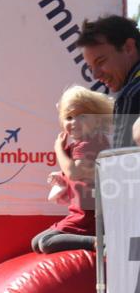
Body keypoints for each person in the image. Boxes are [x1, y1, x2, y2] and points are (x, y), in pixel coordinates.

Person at [31, 86, 112, 254]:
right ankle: (96, 240)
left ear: (96, 120)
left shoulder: (88, 143)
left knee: (45, 242)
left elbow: (74, 172)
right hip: (82, 213)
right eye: (69, 117)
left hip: (91, 218)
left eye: (82, 117)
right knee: (36, 242)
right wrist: (61, 177)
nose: (74, 123)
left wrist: (58, 149)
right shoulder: (87, 143)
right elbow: (83, 174)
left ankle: (98, 242)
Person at [78, 15, 140, 149]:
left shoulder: (131, 94)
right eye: (90, 68)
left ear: (129, 47)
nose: (95, 75)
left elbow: (121, 164)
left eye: (100, 62)